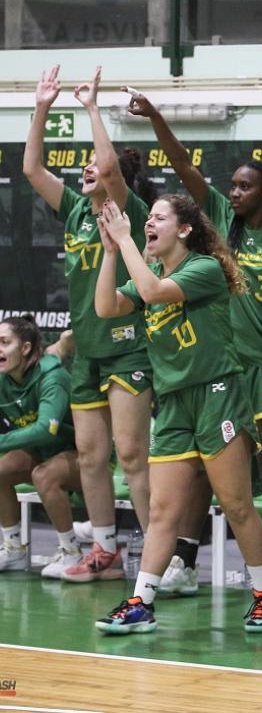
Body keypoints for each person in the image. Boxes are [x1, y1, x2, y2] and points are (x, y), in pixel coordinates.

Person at [127, 92, 262, 596]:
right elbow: (183, 164)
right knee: (194, 474)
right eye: (232, 185)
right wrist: (156, 118)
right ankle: (185, 562)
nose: (233, 193)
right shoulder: (216, 224)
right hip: (218, 367)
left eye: (244, 186)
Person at [93, 194, 262, 634]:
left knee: (236, 504)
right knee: (162, 511)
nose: (148, 224)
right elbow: (105, 308)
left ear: (184, 229)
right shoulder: (150, 271)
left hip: (218, 394)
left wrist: (125, 243)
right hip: (175, 401)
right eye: (147, 219)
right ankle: (141, 602)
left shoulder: (204, 269)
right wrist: (109, 252)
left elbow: (153, 293)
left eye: (159, 218)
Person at [23, 66, 152, 582]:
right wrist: (42, 107)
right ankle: (104, 552)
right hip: (88, 353)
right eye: (83, 169)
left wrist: (93, 109)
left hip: (127, 349)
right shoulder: (77, 211)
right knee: (90, 455)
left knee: (134, 455)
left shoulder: (128, 210)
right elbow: (32, 169)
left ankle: (158, 562)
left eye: (94, 169)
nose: (86, 173)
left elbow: (111, 169)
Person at [0, 315, 85, 577]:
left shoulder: (52, 376)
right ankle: (13, 548)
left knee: (43, 475)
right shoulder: (3, 379)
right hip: (43, 453)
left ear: (25, 348)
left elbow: (47, 431)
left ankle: (71, 552)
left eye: (4, 342)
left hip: (85, 456)